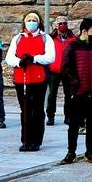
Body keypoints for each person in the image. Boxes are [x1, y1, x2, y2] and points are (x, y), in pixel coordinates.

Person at [60, 19, 92, 165]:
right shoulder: (72, 47)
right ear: (84, 31)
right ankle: (71, 152)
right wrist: (75, 83)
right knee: (74, 124)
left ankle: (90, 152)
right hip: (77, 93)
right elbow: (65, 68)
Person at [6, 12, 56, 152]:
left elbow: (51, 57)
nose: (31, 22)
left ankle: (36, 140)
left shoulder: (46, 38)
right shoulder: (18, 38)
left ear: (39, 22)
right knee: (25, 110)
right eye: (29, 20)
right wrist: (19, 62)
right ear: (24, 22)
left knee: (37, 109)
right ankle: (26, 140)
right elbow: (9, 57)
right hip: (21, 78)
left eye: (34, 20)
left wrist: (34, 59)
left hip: (38, 78)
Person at [47, 16, 75, 126]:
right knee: (52, 95)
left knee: (68, 95)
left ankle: (68, 116)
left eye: (64, 23)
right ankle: (50, 116)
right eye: (60, 24)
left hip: (67, 70)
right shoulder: (51, 38)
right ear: (56, 25)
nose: (62, 25)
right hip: (54, 69)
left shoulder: (72, 39)